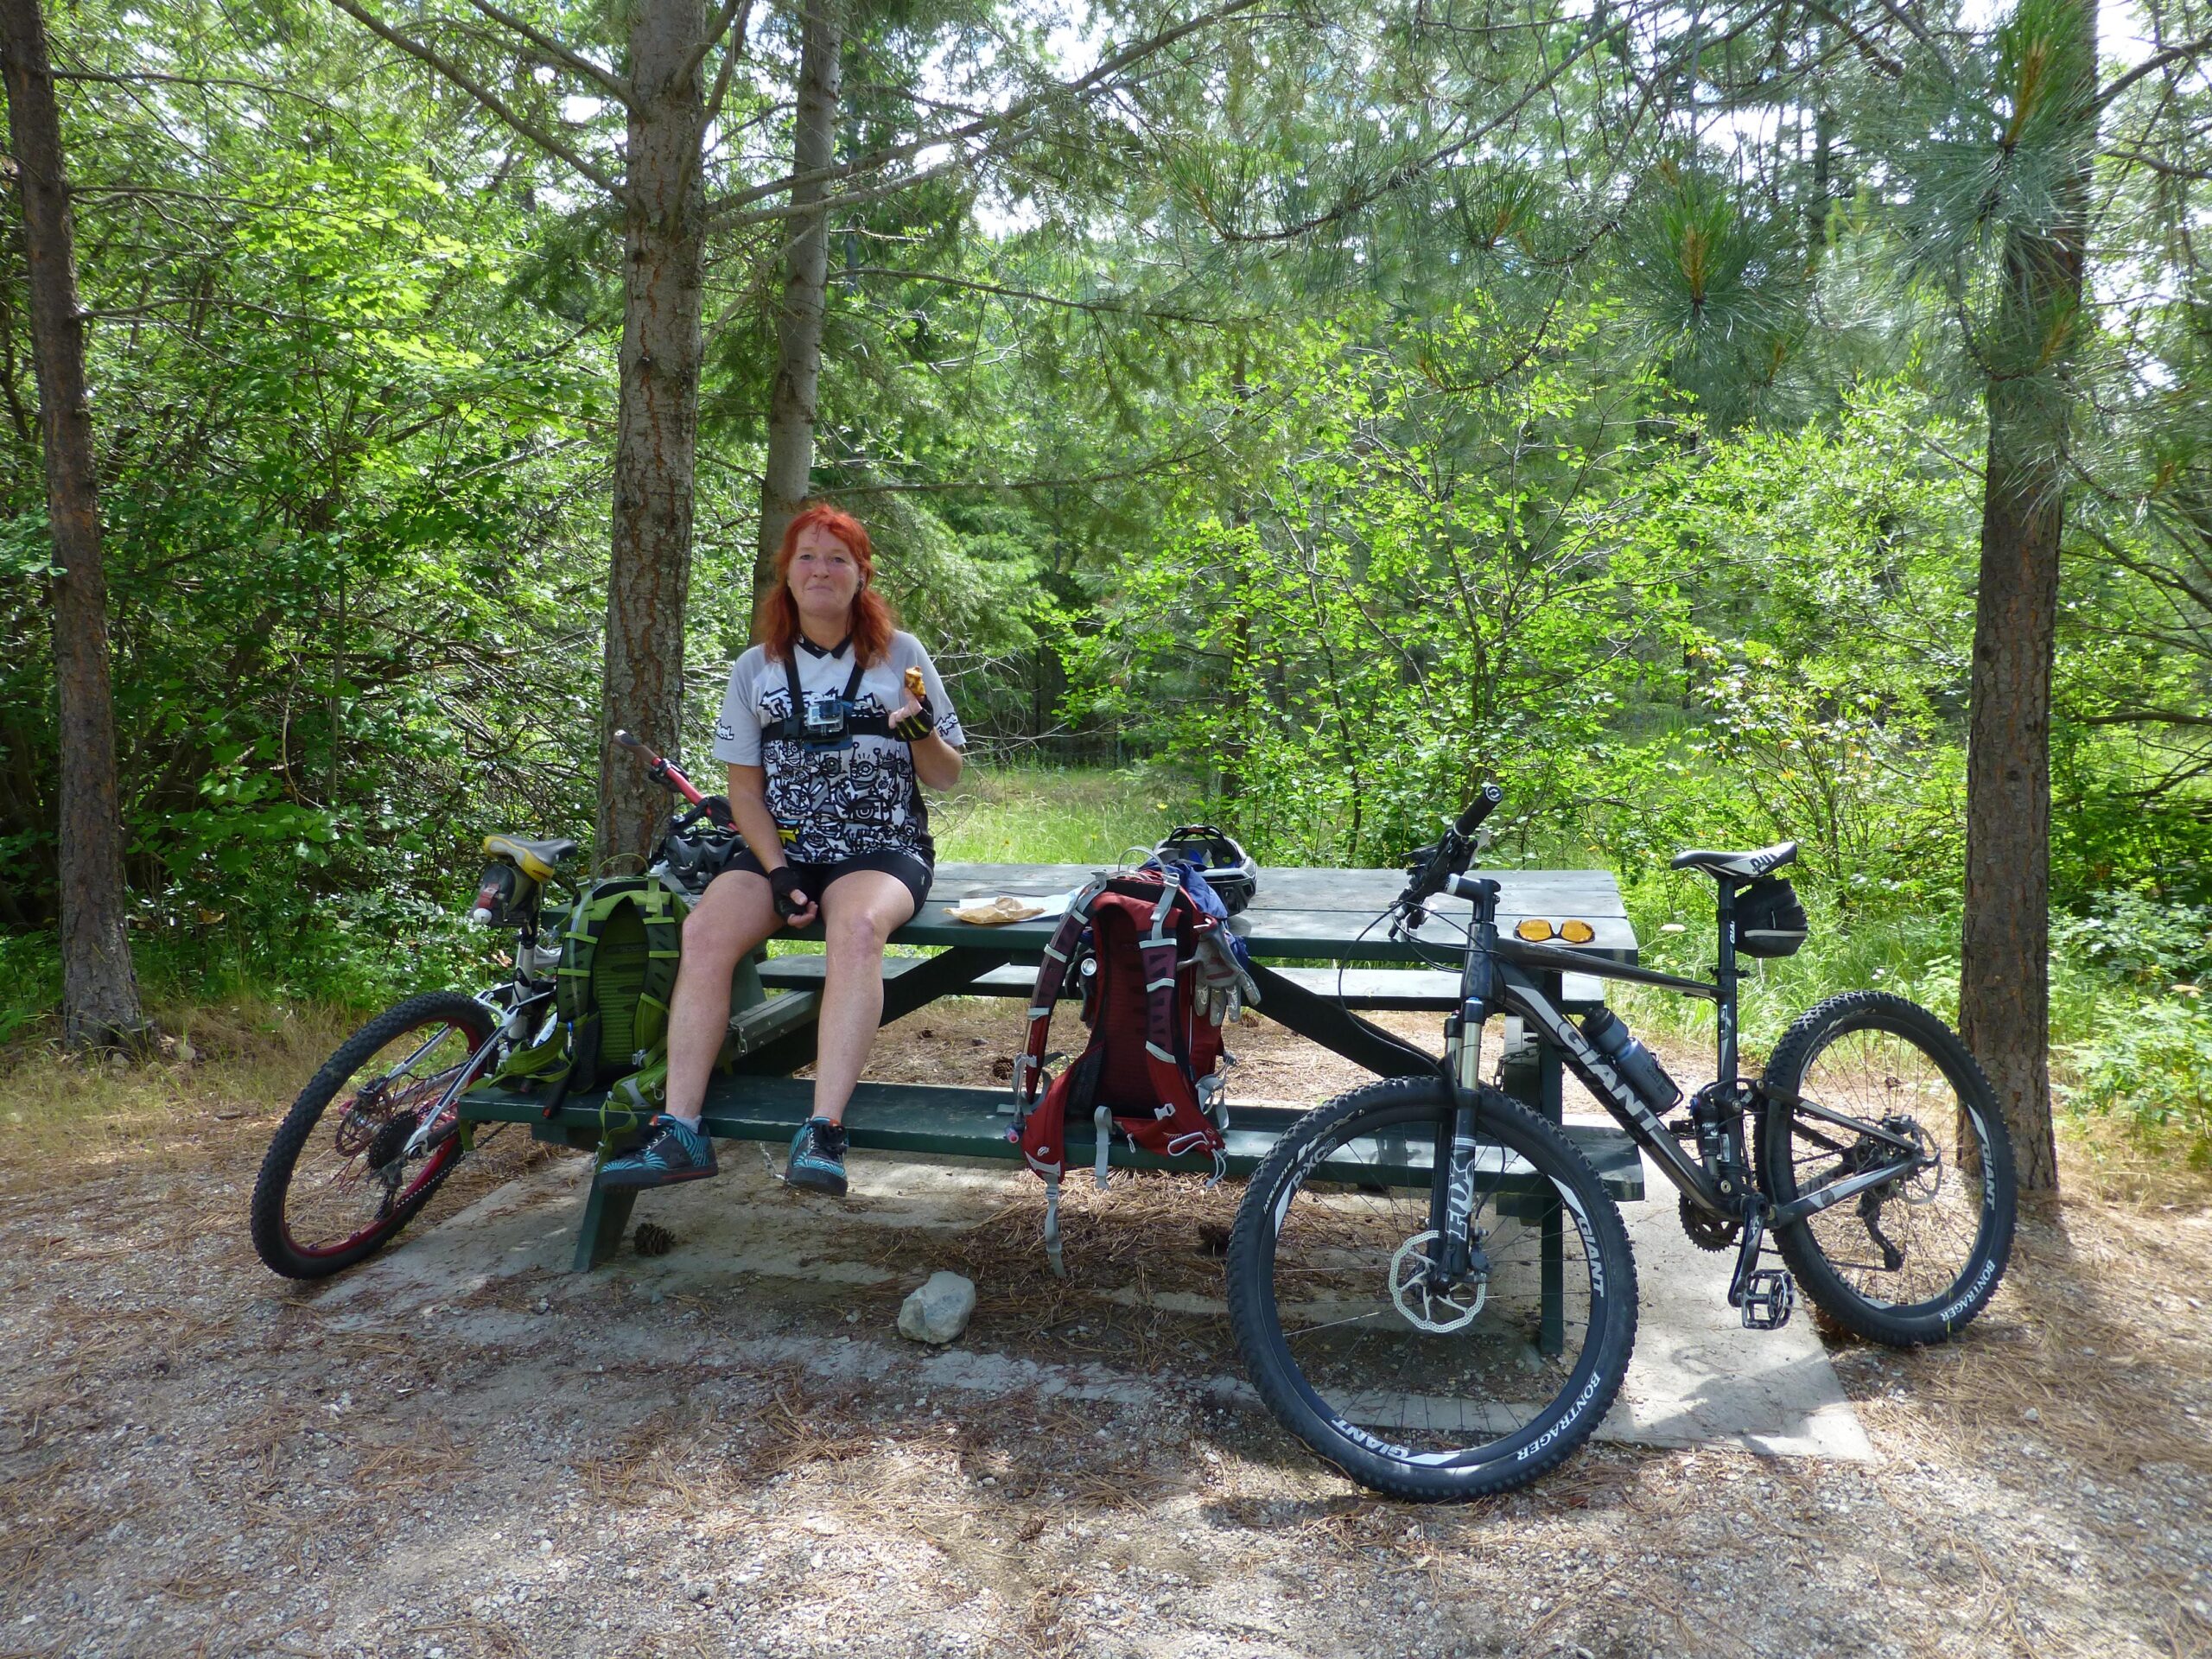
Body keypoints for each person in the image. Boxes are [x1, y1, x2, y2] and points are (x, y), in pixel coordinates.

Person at [597, 504, 963, 1196]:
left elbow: (946, 775)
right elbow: (744, 792)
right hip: (783, 848)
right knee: (704, 932)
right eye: (807, 557)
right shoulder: (755, 668)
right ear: (786, 575)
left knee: (853, 931)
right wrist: (777, 870)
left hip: (880, 845)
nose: (821, 570)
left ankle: (823, 1130)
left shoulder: (903, 657)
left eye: (837, 559)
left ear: (861, 576)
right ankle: (679, 1131)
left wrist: (918, 733)